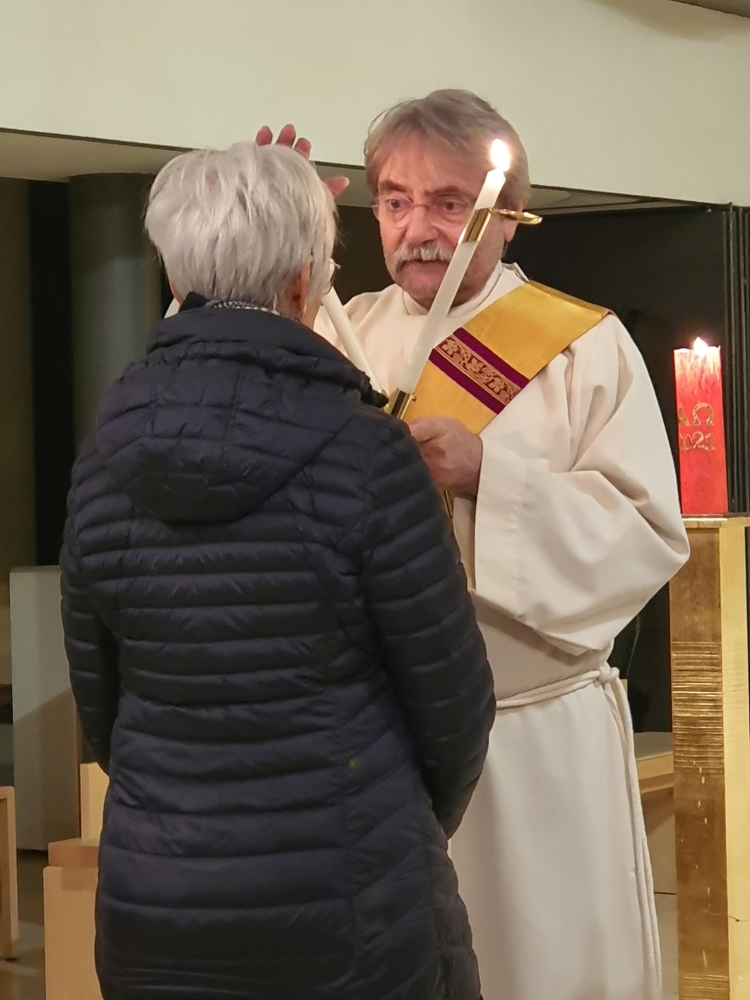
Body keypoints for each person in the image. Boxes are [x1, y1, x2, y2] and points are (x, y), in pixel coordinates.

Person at [61, 139, 495, 1000]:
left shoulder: (102, 457)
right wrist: (391, 825)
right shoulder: (368, 453)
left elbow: (100, 704)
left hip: (159, 899)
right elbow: (452, 703)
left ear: (174, 277)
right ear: (304, 284)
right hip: (351, 900)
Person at [295, 89, 689, 1000]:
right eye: (396, 201)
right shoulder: (334, 334)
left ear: (508, 217)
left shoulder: (582, 347)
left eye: (449, 202)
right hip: (376, 745)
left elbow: (646, 533)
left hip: (529, 746)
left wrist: (488, 477)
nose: (417, 229)